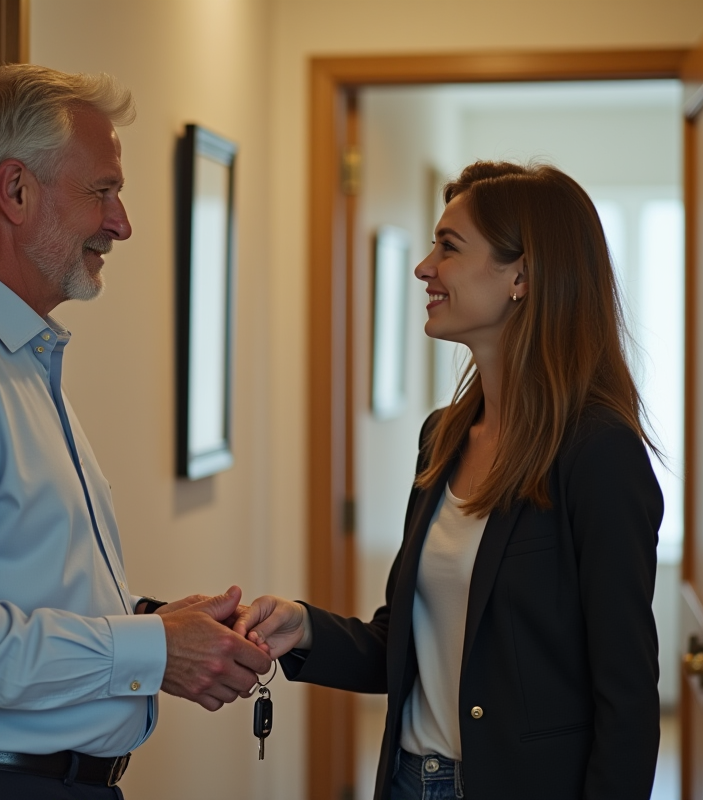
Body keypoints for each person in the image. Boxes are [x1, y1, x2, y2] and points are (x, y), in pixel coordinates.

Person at [0, 64, 271, 800]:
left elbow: (13, 578)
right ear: (16, 191)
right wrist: (146, 649)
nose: (122, 222)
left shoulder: (11, 361)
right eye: (104, 190)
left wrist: (154, 625)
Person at [236, 161, 663, 800]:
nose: (424, 267)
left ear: (522, 275)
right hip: (411, 781)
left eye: (449, 247)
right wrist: (303, 627)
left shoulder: (597, 452)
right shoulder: (442, 438)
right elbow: (403, 645)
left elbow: (626, 697)